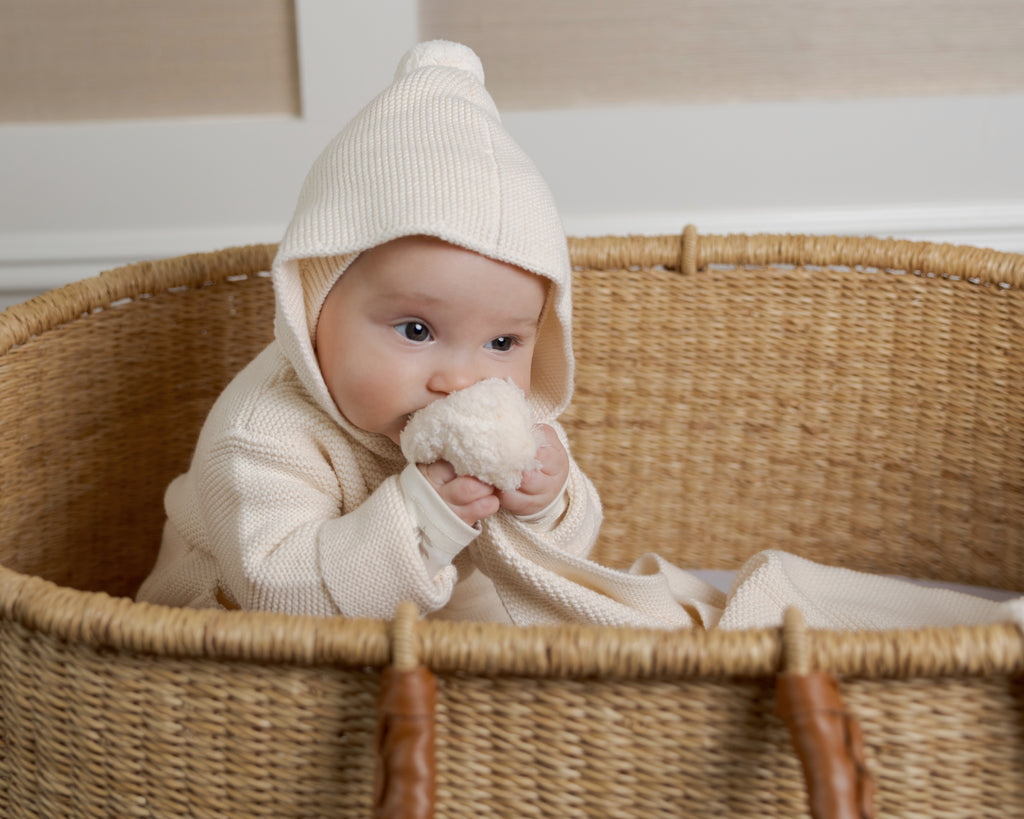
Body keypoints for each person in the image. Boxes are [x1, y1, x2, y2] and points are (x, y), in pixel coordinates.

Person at [135, 40, 603, 622]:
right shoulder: (263, 430)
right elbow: (276, 592)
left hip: (437, 624)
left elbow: (562, 570)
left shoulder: (513, 417)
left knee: (566, 627)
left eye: (502, 343)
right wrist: (424, 520)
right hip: (241, 633)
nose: (461, 380)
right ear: (315, 307)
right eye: (416, 330)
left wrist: (547, 505)